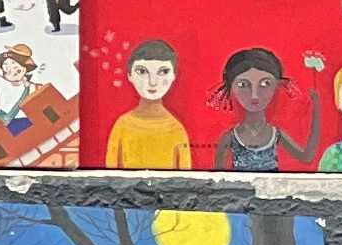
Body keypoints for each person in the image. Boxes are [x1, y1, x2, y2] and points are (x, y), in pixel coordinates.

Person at [107, 39, 197, 169]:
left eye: (163, 72)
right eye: (142, 72)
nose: (152, 82)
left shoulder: (177, 130)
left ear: (173, 75)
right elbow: (110, 175)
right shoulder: (122, 126)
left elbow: (186, 177)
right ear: (129, 75)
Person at [215, 44, 295, 172]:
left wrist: (317, 111)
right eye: (243, 84)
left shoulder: (276, 134)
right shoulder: (230, 138)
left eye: (265, 83)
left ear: (277, 85)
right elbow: (218, 176)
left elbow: (307, 157)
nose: (254, 95)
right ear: (231, 88)